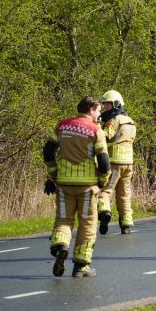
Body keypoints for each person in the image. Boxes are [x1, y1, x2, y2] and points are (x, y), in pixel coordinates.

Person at [42, 96, 110, 277]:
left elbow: (48, 150)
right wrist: (103, 180)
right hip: (87, 185)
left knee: (64, 220)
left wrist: (54, 173)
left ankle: (60, 245)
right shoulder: (96, 130)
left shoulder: (61, 125)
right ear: (90, 110)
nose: (99, 114)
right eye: (98, 111)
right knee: (87, 224)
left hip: (64, 183)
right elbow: (103, 161)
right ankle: (81, 265)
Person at [96, 90, 137, 235]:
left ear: (116, 104)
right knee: (124, 194)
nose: (105, 108)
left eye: (107, 105)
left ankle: (104, 212)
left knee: (106, 190)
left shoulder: (114, 120)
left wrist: (96, 127)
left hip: (114, 162)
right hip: (128, 163)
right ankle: (125, 224)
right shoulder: (131, 121)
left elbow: (104, 137)